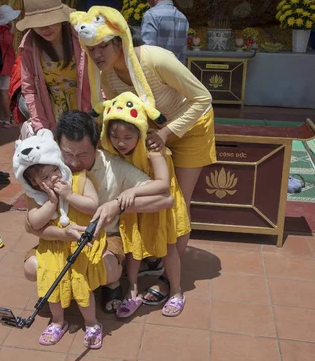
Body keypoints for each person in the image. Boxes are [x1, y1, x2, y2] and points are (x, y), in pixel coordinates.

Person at [72, 6, 215, 302]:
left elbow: (202, 97)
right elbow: (115, 109)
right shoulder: (107, 72)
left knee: (176, 202)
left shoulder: (154, 58)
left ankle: (168, 277)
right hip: (148, 136)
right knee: (146, 194)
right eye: (91, 49)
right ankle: (151, 253)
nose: (96, 55)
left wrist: (166, 134)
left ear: (118, 40)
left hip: (188, 127)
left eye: (102, 46)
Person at [23, 110, 175, 314]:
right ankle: (68, 284)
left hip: (105, 237)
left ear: (97, 145)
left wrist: (118, 205)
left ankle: (111, 284)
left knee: (107, 269)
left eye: (83, 155)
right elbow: (30, 224)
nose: (74, 163)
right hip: (61, 240)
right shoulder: (47, 168)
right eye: (67, 154)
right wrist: (61, 233)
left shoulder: (113, 166)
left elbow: (166, 198)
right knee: (31, 268)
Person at [95, 91, 187, 317]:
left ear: (140, 132)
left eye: (128, 138)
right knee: (133, 245)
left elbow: (163, 183)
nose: (121, 143)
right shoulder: (111, 150)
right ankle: (133, 288)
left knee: (168, 246)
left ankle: (176, 291)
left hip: (158, 205)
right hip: (133, 206)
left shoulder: (152, 149)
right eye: (115, 137)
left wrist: (133, 190)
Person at [14, 129, 105, 348]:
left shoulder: (79, 180)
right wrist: (52, 203)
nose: (54, 177)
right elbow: (34, 222)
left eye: (55, 169)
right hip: (52, 248)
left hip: (79, 245)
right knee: (51, 284)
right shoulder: (38, 197)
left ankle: (92, 323)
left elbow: (93, 205)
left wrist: (69, 196)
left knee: (81, 285)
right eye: (44, 177)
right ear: (35, 184)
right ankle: (57, 321)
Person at [15, 0, 92, 137]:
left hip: (87, 109)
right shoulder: (29, 46)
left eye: (50, 21)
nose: (45, 28)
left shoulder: (80, 37)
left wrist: (98, 112)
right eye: (38, 24)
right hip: (52, 115)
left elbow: (100, 76)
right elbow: (29, 90)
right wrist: (41, 126)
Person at [141, 0, 189, 64]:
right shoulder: (183, 18)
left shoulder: (151, 16)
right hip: (177, 76)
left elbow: (146, 55)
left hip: (157, 77)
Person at [0, 4, 21, 127]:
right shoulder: (4, 31)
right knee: (4, 92)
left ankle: (1, 117)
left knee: (1, 92)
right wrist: (12, 28)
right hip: (5, 66)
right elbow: (8, 42)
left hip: (0, 65)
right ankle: (8, 119)